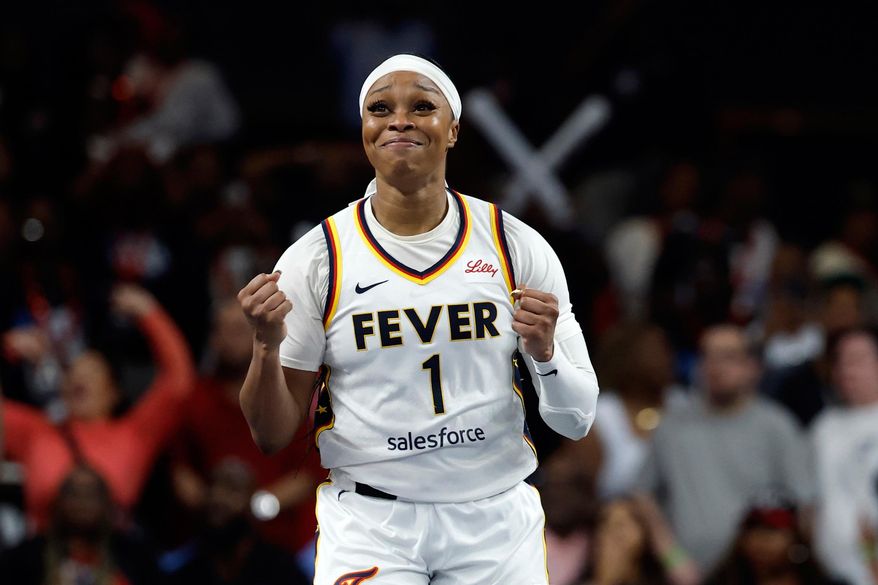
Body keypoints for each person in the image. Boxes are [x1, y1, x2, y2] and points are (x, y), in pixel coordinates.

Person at [237, 54, 600, 583]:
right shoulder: (316, 259)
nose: (400, 121)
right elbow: (271, 435)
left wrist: (545, 356)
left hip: (495, 519)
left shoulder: (514, 245)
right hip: (371, 521)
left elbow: (576, 419)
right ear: (364, 131)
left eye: (422, 107)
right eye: (380, 108)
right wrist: (266, 347)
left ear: (453, 129)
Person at [0, 284, 195, 531]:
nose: (79, 378)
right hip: (44, 553)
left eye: (93, 373)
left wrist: (148, 312)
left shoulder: (134, 435)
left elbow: (178, 382)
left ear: (114, 393)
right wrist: (5, 347)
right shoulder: (36, 432)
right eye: (72, 372)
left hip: (111, 554)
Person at [635, 324, 813, 573]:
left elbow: (804, 506)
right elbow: (642, 495)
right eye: (707, 356)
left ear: (752, 368)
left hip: (755, 573)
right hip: (687, 573)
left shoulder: (777, 426)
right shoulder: (673, 425)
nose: (715, 366)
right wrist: (672, 557)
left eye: (728, 357)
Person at [170, 299, 321, 557]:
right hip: (211, 539)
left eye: (239, 330)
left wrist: (256, 506)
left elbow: (309, 475)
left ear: (261, 336)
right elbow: (180, 469)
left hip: (283, 543)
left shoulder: (286, 394)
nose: (229, 339)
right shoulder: (195, 399)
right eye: (222, 330)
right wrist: (212, 505)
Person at [0, 464, 160, 585]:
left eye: (91, 494)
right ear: (58, 502)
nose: (82, 502)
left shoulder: (135, 557)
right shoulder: (25, 558)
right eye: (74, 493)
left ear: (107, 504)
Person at [164, 458, 308, 585]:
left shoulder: (282, 573)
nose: (219, 497)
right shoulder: (184, 574)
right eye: (213, 486)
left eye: (232, 490)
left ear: (252, 502)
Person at [811, 326, 878, 585]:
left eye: (857, 359)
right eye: (839, 360)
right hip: (832, 574)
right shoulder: (823, 427)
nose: (846, 369)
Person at [706, 498, 837, 585]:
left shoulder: (822, 581)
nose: (761, 539)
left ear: (796, 537)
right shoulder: (723, 580)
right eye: (753, 529)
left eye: (772, 529)